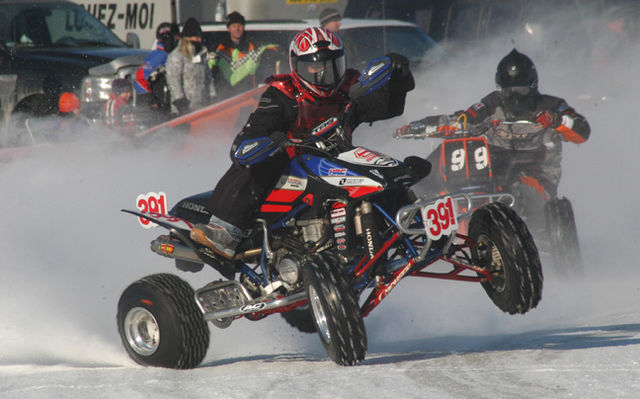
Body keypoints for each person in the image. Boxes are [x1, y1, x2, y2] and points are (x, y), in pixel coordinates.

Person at [189, 27, 415, 259]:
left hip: (335, 162)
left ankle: (410, 223)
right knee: (263, 162)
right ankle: (225, 229)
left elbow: (386, 106)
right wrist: (264, 142)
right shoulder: (282, 94)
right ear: (297, 66)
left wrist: (400, 77)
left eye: (331, 65)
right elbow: (253, 132)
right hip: (290, 171)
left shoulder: (348, 89)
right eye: (315, 67)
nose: (324, 75)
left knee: (379, 170)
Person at [395, 48, 590, 201]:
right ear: (500, 87)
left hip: (537, 174)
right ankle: (414, 194)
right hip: (491, 170)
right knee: (448, 151)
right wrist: (417, 127)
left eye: (520, 90)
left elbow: (582, 131)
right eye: (508, 90)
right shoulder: (491, 103)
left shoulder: (552, 105)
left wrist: (557, 120)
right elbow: (462, 120)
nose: (514, 96)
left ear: (532, 86)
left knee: (519, 188)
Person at [208, 11, 279, 100]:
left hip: (247, 96)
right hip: (224, 97)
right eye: (234, 26)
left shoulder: (253, 46)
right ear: (228, 28)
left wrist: (268, 52)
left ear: (244, 27)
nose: (237, 29)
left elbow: (273, 48)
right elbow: (210, 70)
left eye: (240, 26)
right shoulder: (218, 48)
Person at [166, 17, 216, 115]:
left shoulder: (202, 56)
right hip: (183, 110)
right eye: (196, 37)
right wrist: (180, 102)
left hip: (202, 108)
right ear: (187, 38)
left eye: (200, 37)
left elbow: (208, 78)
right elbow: (174, 80)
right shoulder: (177, 56)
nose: (199, 40)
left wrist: (212, 95)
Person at [134, 22, 180, 114]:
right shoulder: (158, 56)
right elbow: (139, 78)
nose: (177, 40)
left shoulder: (176, 56)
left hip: (172, 105)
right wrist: (151, 100)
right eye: (174, 37)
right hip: (161, 108)